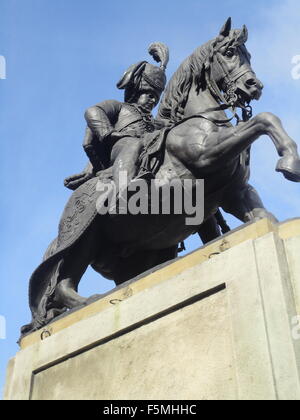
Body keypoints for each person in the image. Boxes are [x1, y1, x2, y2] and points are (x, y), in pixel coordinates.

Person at [64, 42, 169, 191]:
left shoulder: (155, 122)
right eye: (149, 95)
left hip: (147, 152)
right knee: (134, 145)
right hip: (120, 148)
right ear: (137, 91)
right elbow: (93, 111)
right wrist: (110, 134)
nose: (153, 100)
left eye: (155, 98)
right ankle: (125, 192)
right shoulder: (119, 107)